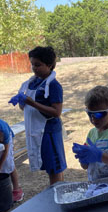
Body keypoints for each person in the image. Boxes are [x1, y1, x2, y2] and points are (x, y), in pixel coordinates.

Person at [8, 46, 67, 185]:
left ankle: (56, 193)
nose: (34, 68)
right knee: (47, 165)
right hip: (35, 130)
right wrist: (22, 102)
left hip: (48, 131)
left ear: (50, 65)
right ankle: (57, 192)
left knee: (54, 168)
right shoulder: (32, 82)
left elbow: (56, 112)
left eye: (38, 65)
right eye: (32, 64)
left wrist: (32, 103)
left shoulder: (53, 85)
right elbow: (25, 108)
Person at [0, 119, 24, 202]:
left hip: (6, 140)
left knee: (8, 164)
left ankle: (17, 190)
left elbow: (5, 151)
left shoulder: (3, 130)